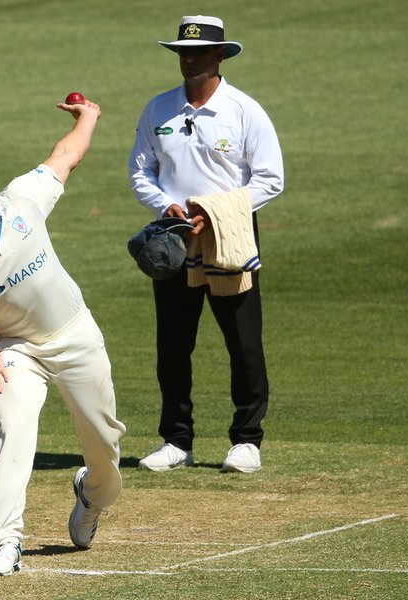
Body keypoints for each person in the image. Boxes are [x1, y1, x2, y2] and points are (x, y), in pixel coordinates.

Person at [0, 98, 126, 576]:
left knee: (106, 455)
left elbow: (65, 156)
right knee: (13, 433)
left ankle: (91, 497)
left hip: (76, 334)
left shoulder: (22, 199)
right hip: (17, 352)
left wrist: (89, 117)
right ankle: (2, 545)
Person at [129, 15, 284, 474]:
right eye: (182, 50)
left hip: (229, 236)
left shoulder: (244, 110)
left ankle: (247, 441)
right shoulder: (158, 109)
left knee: (243, 342)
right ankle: (177, 440)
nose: (188, 57)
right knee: (173, 344)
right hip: (175, 239)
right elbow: (141, 172)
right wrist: (168, 206)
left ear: (220, 55)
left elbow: (271, 180)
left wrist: (213, 211)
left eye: (197, 51)